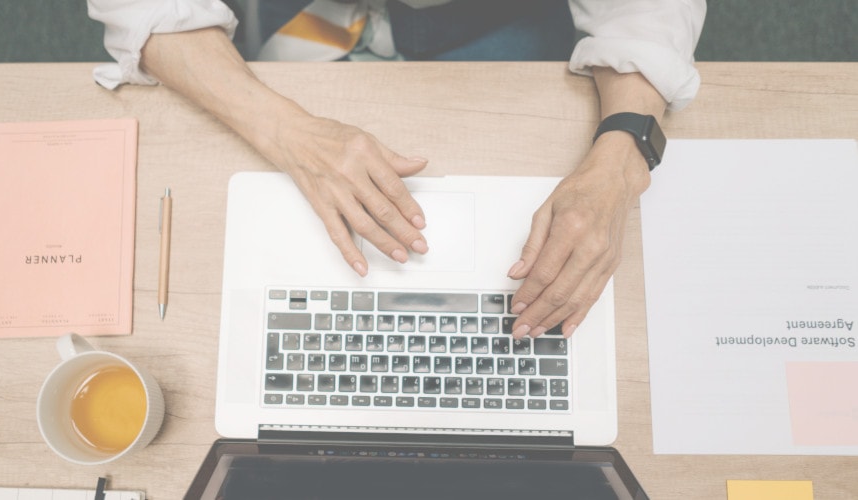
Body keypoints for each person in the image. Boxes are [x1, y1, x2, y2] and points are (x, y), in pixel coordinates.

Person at [87, 0, 706, 339]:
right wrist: (287, 132)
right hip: (322, 14)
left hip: (499, 18)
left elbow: (647, 13)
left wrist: (623, 156)